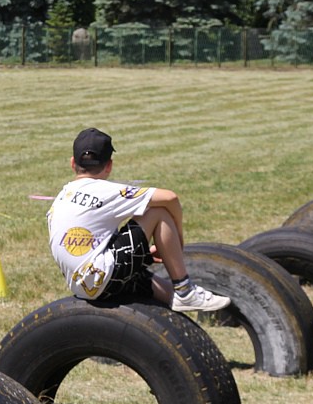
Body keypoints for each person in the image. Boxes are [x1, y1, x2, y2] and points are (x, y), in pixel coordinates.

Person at [47, 128, 232, 313]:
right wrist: (178, 238)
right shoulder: (104, 190)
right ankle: (185, 291)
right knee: (158, 211)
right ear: (109, 165)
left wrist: (144, 255)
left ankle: (182, 300)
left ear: (72, 163)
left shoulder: (62, 196)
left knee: (158, 290)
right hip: (104, 278)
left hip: (82, 285)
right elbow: (170, 197)